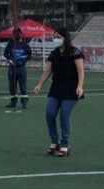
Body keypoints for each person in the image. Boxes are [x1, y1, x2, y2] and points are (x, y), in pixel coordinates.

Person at [33, 28, 84, 157]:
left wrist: (80, 86)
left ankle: (65, 144)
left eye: (57, 36)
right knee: (49, 113)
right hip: (56, 88)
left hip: (71, 89)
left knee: (64, 115)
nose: (55, 38)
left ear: (64, 38)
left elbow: (81, 71)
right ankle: (54, 141)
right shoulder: (54, 53)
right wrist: (39, 84)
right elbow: (48, 71)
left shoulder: (75, 52)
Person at [3, 27, 32, 111]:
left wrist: (23, 61)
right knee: (12, 86)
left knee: (23, 86)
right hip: (12, 68)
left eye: (18, 34)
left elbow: (29, 55)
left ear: (21, 34)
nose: (17, 35)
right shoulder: (11, 43)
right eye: (15, 34)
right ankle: (13, 102)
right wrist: (10, 59)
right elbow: (5, 53)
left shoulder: (25, 45)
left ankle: (24, 103)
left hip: (21, 68)